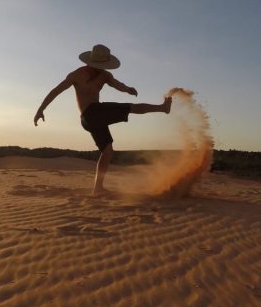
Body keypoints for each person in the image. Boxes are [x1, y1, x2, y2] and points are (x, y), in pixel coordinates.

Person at [34, 44, 171, 195]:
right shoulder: (77, 74)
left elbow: (117, 84)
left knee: (107, 151)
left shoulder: (105, 75)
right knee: (130, 108)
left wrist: (128, 89)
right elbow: (55, 91)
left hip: (96, 118)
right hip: (89, 114)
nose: (99, 68)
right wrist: (41, 109)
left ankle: (97, 188)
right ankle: (163, 108)